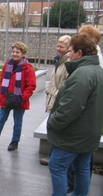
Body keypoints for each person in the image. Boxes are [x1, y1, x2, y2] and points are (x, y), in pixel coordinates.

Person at [47, 33, 103, 196]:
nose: (68, 54)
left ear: (79, 53)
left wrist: (53, 121)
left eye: (71, 51)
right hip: (89, 133)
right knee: (82, 167)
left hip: (73, 135)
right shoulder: (101, 72)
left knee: (56, 165)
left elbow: (70, 109)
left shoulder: (81, 74)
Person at [0, 42, 36, 151]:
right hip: (6, 99)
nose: (14, 54)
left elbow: (31, 86)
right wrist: (1, 95)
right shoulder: (7, 65)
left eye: (17, 52)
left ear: (23, 54)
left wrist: (22, 98)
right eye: (13, 51)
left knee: (17, 122)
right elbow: (1, 81)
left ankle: (15, 141)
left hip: (20, 100)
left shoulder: (27, 68)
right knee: (0, 119)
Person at [40, 35, 71, 164]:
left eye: (61, 46)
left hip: (58, 101)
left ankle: (54, 157)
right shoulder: (58, 61)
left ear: (69, 48)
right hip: (53, 99)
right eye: (57, 46)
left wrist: (52, 93)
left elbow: (65, 86)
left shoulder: (68, 64)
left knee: (55, 130)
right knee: (52, 129)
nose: (58, 48)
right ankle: (52, 155)